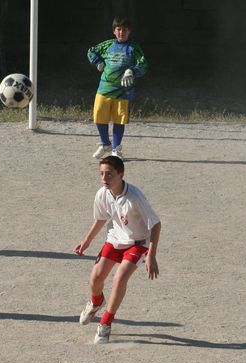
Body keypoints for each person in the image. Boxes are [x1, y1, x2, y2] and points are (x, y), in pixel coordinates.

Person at [73, 155, 161, 344]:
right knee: (95, 278)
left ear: (121, 174)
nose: (104, 178)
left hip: (137, 243)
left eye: (109, 174)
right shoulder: (102, 194)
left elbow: (155, 224)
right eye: (101, 174)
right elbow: (101, 218)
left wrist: (151, 255)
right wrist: (86, 241)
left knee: (119, 278)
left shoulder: (134, 197)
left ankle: (105, 324)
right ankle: (97, 302)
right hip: (114, 240)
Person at [86, 15, 148, 159]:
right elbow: (91, 51)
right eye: (119, 29)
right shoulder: (108, 45)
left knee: (119, 119)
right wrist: (97, 61)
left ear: (129, 31)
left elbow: (143, 64)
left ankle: (116, 149)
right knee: (99, 116)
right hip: (104, 88)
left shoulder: (134, 48)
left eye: (124, 30)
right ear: (114, 31)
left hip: (123, 91)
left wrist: (132, 71)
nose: (121, 32)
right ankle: (105, 144)